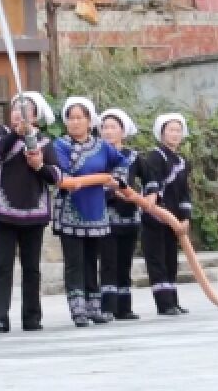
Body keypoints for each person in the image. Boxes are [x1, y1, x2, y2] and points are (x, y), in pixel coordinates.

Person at [0, 91, 60, 334]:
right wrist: (17, 134)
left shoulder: (45, 142)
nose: (19, 113)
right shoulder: (1, 135)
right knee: (3, 267)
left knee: (32, 268)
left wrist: (39, 166)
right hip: (2, 213)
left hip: (33, 214)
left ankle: (32, 317)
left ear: (35, 116)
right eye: (16, 109)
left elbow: (56, 175)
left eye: (25, 110)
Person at [53, 96, 131, 327]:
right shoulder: (60, 145)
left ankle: (94, 307)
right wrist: (98, 178)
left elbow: (121, 163)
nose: (75, 122)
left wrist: (116, 180)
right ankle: (78, 310)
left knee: (90, 261)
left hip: (96, 210)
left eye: (80, 118)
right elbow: (64, 175)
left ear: (89, 121)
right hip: (70, 210)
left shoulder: (101, 146)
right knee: (74, 262)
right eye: (71, 118)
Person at [137, 112, 193, 316]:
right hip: (155, 218)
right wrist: (161, 213)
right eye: (171, 130)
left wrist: (185, 218)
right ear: (161, 133)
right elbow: (151, 187)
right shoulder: (154, 157)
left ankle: (173, 301)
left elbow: (184, 192)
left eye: (178, 130)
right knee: (157, 261)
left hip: (174, 222)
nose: (175, 134)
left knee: (171, 261)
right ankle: (164, 304)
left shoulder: (182, 161)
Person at [97, 108, 141, 320]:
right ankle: (107, 307)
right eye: (104, 127)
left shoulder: (133, 156)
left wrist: (143, 196)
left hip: (130, 216)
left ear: (123, 132)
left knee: (125, 262)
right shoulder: (96, 155)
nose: (108, 131)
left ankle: (124, 307)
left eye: (113, 127)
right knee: (108, 263)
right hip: (105, 217)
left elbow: (151, 181)